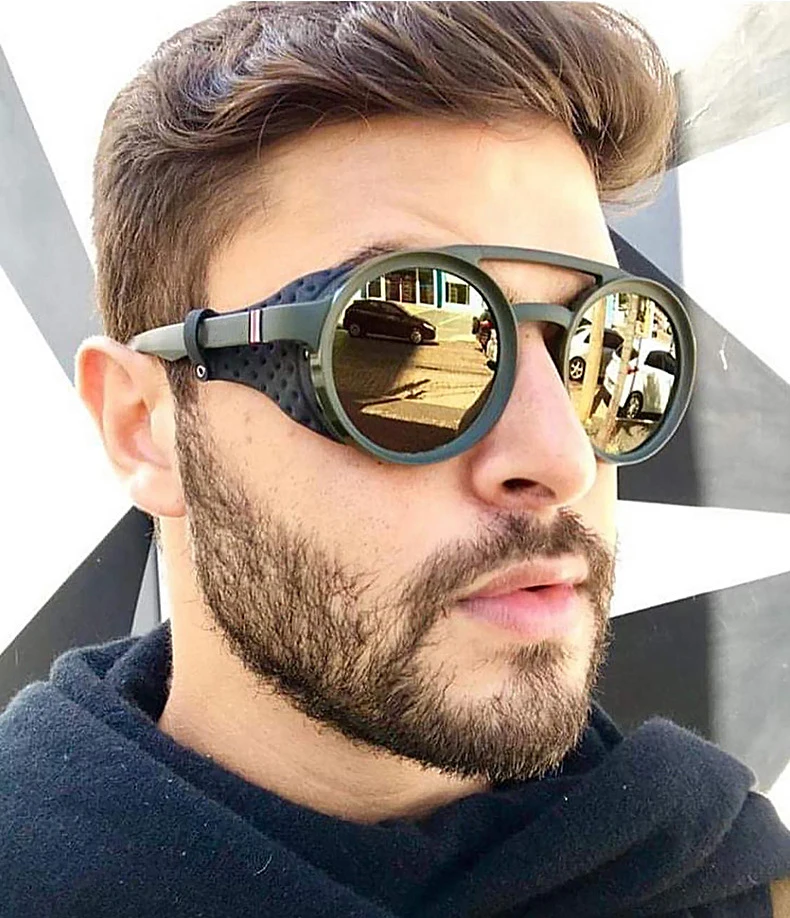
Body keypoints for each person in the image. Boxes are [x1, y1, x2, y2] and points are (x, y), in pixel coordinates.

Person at [2, 3, 789, 915]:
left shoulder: (734, 884)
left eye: (604, 344)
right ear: (144, 425)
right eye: (400, 344)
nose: (562, 457)